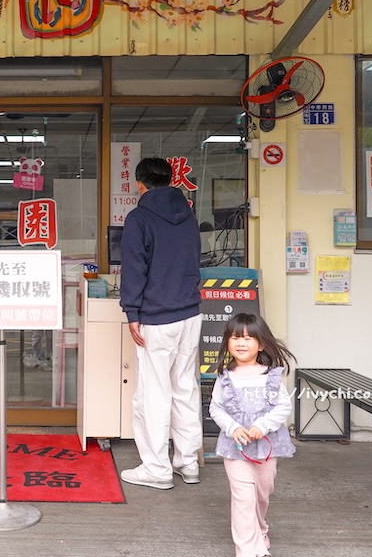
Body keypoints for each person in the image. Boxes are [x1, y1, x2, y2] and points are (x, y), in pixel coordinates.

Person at [118, 156, 203, 490]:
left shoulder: (139, 218)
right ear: (170, 180)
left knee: (154, 393)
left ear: (140, 184)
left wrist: (132, 313)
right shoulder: (189, 216)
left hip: (157, 317)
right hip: (190, 314)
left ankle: (156, 468)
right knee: (184, 388)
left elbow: (135, 268)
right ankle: (188, 462)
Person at [209, 313, 296, 557]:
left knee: (261, 494)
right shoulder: (225, 377)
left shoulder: (271, 376)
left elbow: (283, 407)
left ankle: (260, 528)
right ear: (227, 342)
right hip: (235, 449)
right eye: (236, 337)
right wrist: (233, 427)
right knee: (243, 498)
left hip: (267, 447)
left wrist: (263, 425)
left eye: (248, 338)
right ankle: (249, 550)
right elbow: (216, 407)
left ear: (262, 344)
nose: (241, 343)